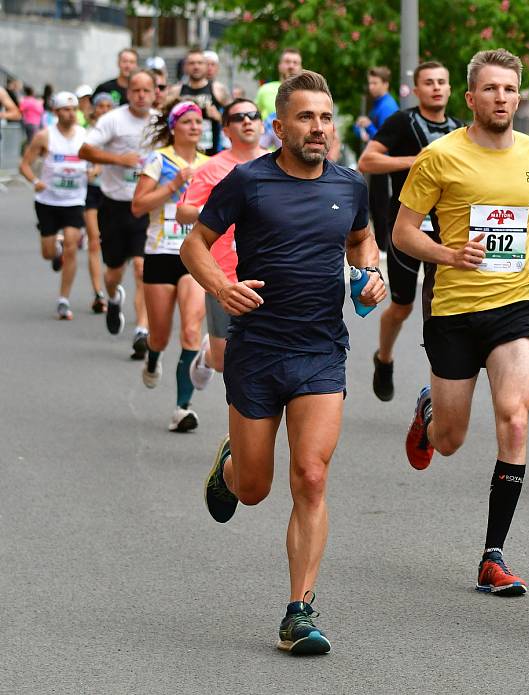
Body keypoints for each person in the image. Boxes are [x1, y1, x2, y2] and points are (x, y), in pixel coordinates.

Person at [180, 70, 386, 655]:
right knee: (253, 489)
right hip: (257, 350)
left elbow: (361, 243)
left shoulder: (350, 186)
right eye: (305, 117)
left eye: (325, 118)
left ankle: (299, 610)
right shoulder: (248, 181)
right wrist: (221, 288)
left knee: (312, 477)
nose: (318, 128)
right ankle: (230, 468)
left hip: (320, 351)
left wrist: (370, 277)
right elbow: (194, 244)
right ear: (280, 126)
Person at [394, 49, 529, 597]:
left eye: (509, 90)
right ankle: (429, 411)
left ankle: (494, 555)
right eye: (490, 89)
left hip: (515, 306)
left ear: (519, 95)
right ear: (471, 98)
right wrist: (447, 254)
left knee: (514, 419)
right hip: (454, 309)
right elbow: (403, 234)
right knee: (450, 439)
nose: (501, 99)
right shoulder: (439, 157)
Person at [358, 61, 463, 401]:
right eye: (428, 82)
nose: (436, 87)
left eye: (441, 82)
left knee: (439, 308)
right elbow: (367, 162)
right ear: (416, 91)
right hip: (405, 226)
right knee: (402, 307)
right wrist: (414, 161)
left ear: (450, 89)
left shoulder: (460, 130)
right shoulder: (402, 122)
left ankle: (437, 387)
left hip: (446, 232)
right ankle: (384, 358)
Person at [176, 98, 268, 390]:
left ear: (262, 124)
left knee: (260, 354)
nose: (247, 121)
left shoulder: (278, 163)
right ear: (226, 129)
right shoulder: (213, 167)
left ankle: (241, 431)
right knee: (222, 361)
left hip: (269, 272)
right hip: (223, 273)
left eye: (253, 116)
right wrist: (218, 212)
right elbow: (183, 211)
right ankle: (206, 354)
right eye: (239, 117)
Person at [131, 100, 209, 432]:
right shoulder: (158, 159)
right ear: (174, 126)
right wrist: (175, 184)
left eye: (198, 122)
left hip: (197, 253)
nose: (194, 126)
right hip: (161, 252)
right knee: (160, 336)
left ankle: (182, 408)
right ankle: (153, 356)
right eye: (187, 121)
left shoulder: (211, 163)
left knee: (191, 329)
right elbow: (138, 206)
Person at [79, 69, 158, 358]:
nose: (140, 95)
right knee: (113, 272)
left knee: (141, 268)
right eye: (135, 90)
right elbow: (84, 150)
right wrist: (118, 159)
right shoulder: (113, 120)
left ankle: (142, 331)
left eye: (146, 90)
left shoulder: (159, 122)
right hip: (113, 205)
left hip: (146, 205)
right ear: (128, 93)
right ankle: (112, 298)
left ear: (154, 93)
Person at [19, 92, 88, 320]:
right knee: (48, 253)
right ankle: (55, 251)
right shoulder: (44, 136)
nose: (71, 113)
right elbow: (25, 165)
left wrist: (95, 170)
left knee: (71, 245)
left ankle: (63, 300)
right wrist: (35, 181)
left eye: (74, 108)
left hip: (74, 201)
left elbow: (98, 160)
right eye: (66, 109)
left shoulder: (85, 136)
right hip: (47, 201)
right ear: (56, 112)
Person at [355, 66, 400, 252]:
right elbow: (365, 132)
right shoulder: (378, 104)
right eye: (370, 83)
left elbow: (386, 138)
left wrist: (369, 128)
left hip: (384, 163)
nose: (371, 87)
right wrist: (362, 128)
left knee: (382, 205)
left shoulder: (388, 106)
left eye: (375, 83)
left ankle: (385, 245)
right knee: (375, 204)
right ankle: (382, 245)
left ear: (386, 84)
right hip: (376, 163)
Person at [83, 92, 116, 314]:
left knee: (114, 246)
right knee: (94, 241)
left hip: (114, 196)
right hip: (91, 192)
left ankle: (113, 286)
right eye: (100, 106)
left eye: (108, 106)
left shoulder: (120, 134)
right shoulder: (87, 134)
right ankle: (98, 293)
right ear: (94, 109)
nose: (104, 109)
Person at [166, 48, 227, 157]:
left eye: (200, 63)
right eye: (191, 63)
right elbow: (163, 117)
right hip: (181, 153)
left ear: (206, 66)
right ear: (185, 67)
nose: (196, 66)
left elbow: (233, 119)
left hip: (210, 153)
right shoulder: (176, 91)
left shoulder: (218, 89)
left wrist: (218, 117)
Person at [255, 47, 302, 122]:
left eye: (295, 63)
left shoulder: (306, 92)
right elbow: (255, 117)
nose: (291, 66)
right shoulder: (265, 89)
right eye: (287, 62)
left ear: (300, 67)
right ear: (279, 66)